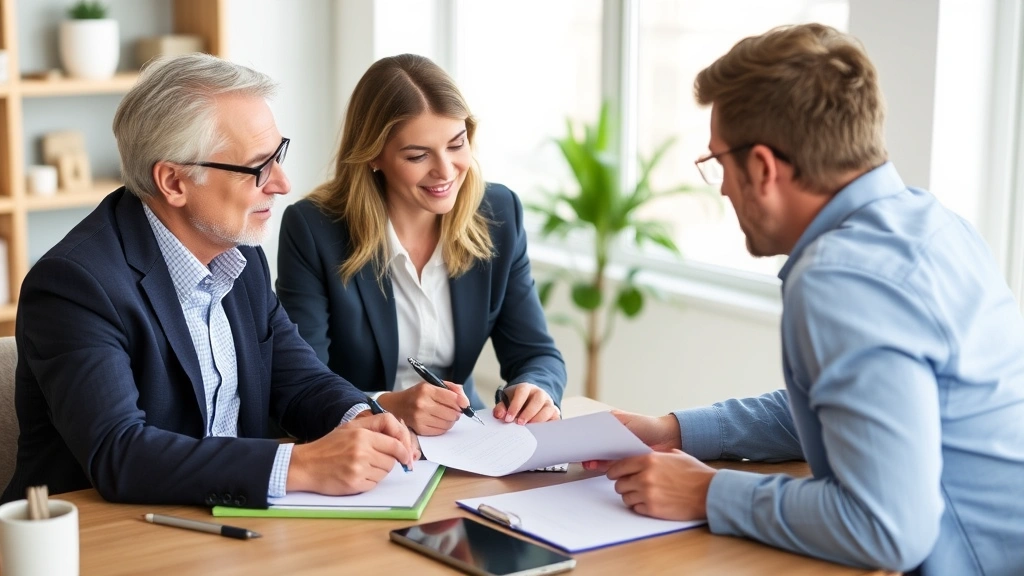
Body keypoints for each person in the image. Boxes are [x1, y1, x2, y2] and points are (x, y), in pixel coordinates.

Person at [587, 24, 1024, 575]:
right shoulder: (930, 223)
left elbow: (888, 529)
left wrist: (707, 494)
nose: (722, 187)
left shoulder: (840, 277)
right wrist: (675, 431)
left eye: (719, 162)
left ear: (764, 167)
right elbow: (850, 409)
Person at [1, 53, 418, 508]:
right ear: (174, 182)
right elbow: (120, 453)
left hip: (225, 522)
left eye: (278, 154)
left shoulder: (239, 255)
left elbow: (301, 381)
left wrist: (360, 418)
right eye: (259, 167)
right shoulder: (74, 286)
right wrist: (300, 466)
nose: (281, 183)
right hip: (93, 538)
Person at [276, 54, 566, 436]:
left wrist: (536, 389)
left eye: (456, 144)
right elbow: (301, 385)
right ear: (374, 156)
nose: (445, 171)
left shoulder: (499, 214)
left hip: (464, 438)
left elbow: (536, 354)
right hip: (359, 443)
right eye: (418, 155)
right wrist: (384, 404)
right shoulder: (313, 229)